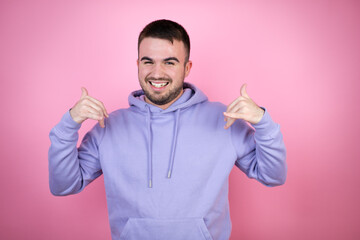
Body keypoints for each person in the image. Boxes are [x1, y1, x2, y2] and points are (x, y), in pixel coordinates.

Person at [49, 19, 287, 240]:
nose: (157, 73)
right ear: (138, 64)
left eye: (169, 62)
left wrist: (263, 123)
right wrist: (69, 124)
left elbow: (273, 176)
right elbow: (64, 185)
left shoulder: (223, 118)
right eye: (148, 61)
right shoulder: (108, 125)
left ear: (187, 67)